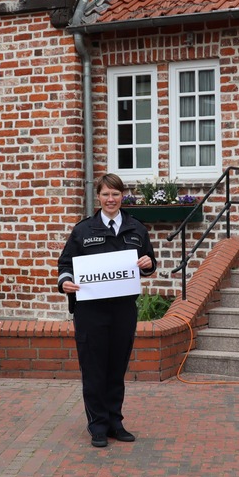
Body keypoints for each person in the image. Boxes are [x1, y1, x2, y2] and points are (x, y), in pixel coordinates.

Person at [57, 174, 156, 448]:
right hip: (91, 311)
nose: (110, 199)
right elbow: (65, 264)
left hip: (123, 310)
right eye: (105, 194)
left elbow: (148, 262)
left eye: (115, 194)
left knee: (116, 367)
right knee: (94, 368)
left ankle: (115, 422)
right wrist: (65, 281)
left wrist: (148, 263)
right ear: (98, 197)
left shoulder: (137, 229)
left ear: (122, 195)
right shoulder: (83, 230)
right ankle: (98, 425)